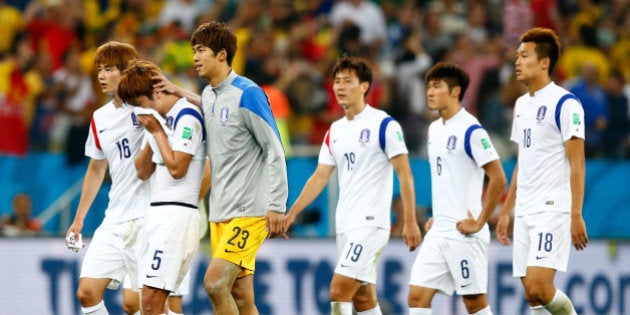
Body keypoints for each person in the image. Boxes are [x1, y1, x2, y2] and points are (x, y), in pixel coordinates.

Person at [152, 21, 288, 314]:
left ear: (222, 54)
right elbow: (211, 108)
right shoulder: (210, 94)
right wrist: (177, 91)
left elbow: (274, 148)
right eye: (194, 51)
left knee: (214, 284)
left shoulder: (248, 93)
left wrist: (277, 205)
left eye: (201, 50)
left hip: (249, 212)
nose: (195, 57)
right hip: (221, 212)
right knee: (241, 295)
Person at [284, 56, 422, 315]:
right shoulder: (334, 130)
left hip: (370, 224)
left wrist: (410, 220)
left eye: (348, 81)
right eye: (336, 81)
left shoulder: (384, 124)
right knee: (363, 299)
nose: (340, 87)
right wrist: (293, 213)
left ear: (365, 86)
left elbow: (405, 173)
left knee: (339, 290)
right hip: (345, 224)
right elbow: (320, 176)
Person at [496, 27, 588, 315]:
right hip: (524, 208)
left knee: (538, 285)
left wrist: (575, 214)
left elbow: (578, 162)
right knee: (531, 295)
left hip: (552, 207)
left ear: (544, 62)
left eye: (525, 56)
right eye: (517, 56)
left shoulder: (566, 103)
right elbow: (523, 163)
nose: (517, 62)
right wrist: (507, 211)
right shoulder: (521, 105)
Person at [407, 62, 507, 315]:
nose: (429, 92)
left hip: (464, 233)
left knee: (474, 303)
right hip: (440, 230)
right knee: (417, 297)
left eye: (437, 86)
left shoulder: (470, 129)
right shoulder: (433, 129)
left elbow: (498, 178)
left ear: (455, 91)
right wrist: (438, 216)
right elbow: (448, 178)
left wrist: (481, 221)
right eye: (428, 87)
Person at [64, 41, 148, 315]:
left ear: (127, 71)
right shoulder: (100, 118)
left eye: (109, 69)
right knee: (86, 293)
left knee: (138, 305)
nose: (101, 75)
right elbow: (97, 168)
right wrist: (78, 220)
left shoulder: (150, 107)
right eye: (99, 69)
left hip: (150, 218)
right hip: (115, 218)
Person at [117, 59, 205, 315]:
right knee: (150, 301)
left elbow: (178, 169)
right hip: (157, 214)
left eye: (139, 102)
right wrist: (152, 134)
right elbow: (143, 172)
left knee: (154, 301)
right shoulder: (163, 120)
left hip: (176, 215)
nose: (138, 109)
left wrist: (157, 133)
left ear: (156, 92)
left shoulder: (187, 117)